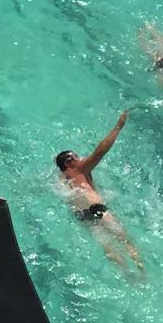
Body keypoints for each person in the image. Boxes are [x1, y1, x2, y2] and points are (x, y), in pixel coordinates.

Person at [55, 112, 142, 270]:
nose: (80, 158)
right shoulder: (78, 169)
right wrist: (118, 127)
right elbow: (100, 151)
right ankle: (143, 273)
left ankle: (129, 277)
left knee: (109, 250)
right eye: (76, 156)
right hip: (97, 210)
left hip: (83, 218)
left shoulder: (61, 179)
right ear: (69, 162)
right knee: (125, 241)